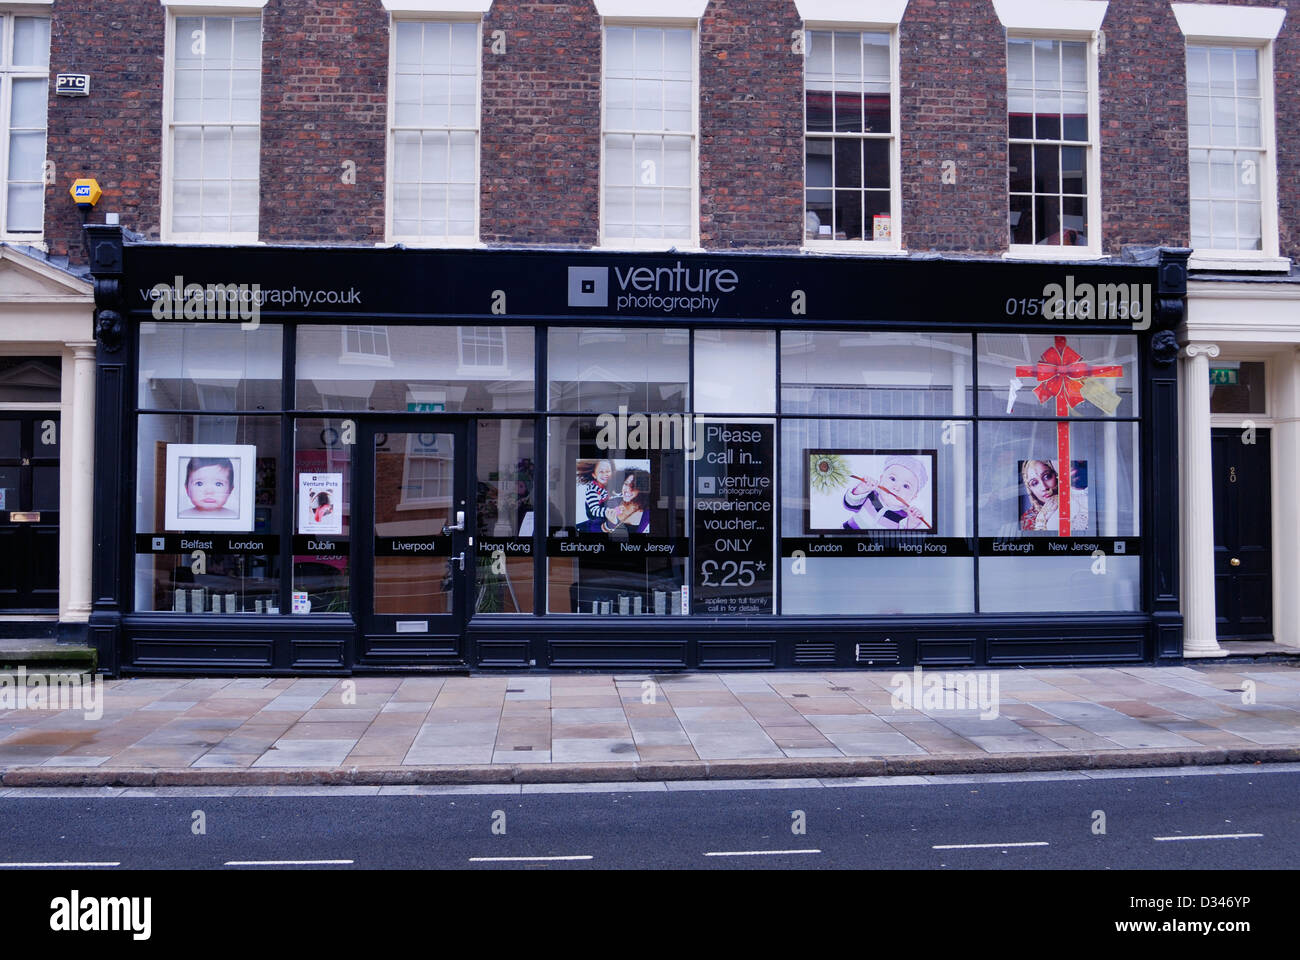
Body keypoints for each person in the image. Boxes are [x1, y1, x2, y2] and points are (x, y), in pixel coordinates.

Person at [842, 455, 930, 530]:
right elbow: (849, 505)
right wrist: (861, 490)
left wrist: (913, 523)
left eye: (906, 486)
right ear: (881, 479)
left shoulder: (904, 516)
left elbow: (905, 536)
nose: (896, 488)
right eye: (893, 479)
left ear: (913, 497)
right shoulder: (873, 497)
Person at [1020, 459, 1089, 533]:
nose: (1044, 487)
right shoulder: (1028, 519)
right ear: (1030, 490)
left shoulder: (1080, 496)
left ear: (1056, 474)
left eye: (1047, 477)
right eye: (1034, 483)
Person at [576, 458, 615, 526]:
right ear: (594, 475)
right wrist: (610, 511)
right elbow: (594, 510)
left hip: (606, 510)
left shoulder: (610, 484)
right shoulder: (592, 490)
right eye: (601, 472)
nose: (605, 474)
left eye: (608, 471)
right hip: (595, 516)